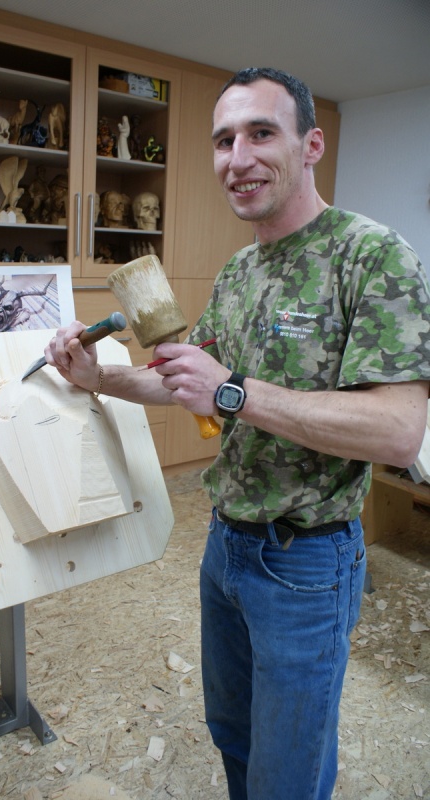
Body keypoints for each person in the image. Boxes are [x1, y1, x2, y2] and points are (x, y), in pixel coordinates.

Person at [45, 67, 430, 799]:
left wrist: (235, 391)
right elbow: (186, 378)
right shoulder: (240, 270)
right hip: (226, 546)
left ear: (311, 145)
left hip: (305, 562)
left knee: (286, 771)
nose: (238, 157)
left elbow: (398, 434)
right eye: (224, 140)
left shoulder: (371, 255)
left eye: (261, 133)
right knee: (234, 733)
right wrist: (98, 378)